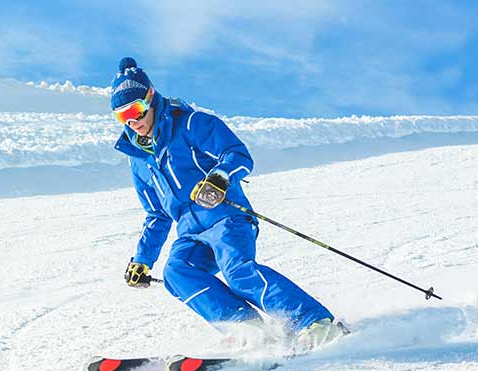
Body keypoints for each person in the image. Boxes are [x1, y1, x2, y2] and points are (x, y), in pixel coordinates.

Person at [110, 57, 345, 348]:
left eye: (135, 111)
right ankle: (250, 329)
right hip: (190, 231)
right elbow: (157, 215)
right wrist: (142, 261)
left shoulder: (192, 123)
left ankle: (314, 322)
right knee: (177, 272)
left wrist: (219, 179)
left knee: (237, 271)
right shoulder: (139, 162)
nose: (132, 122)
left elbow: (238, 155)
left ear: (151, 98)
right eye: (123, 117)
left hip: (226, 217)